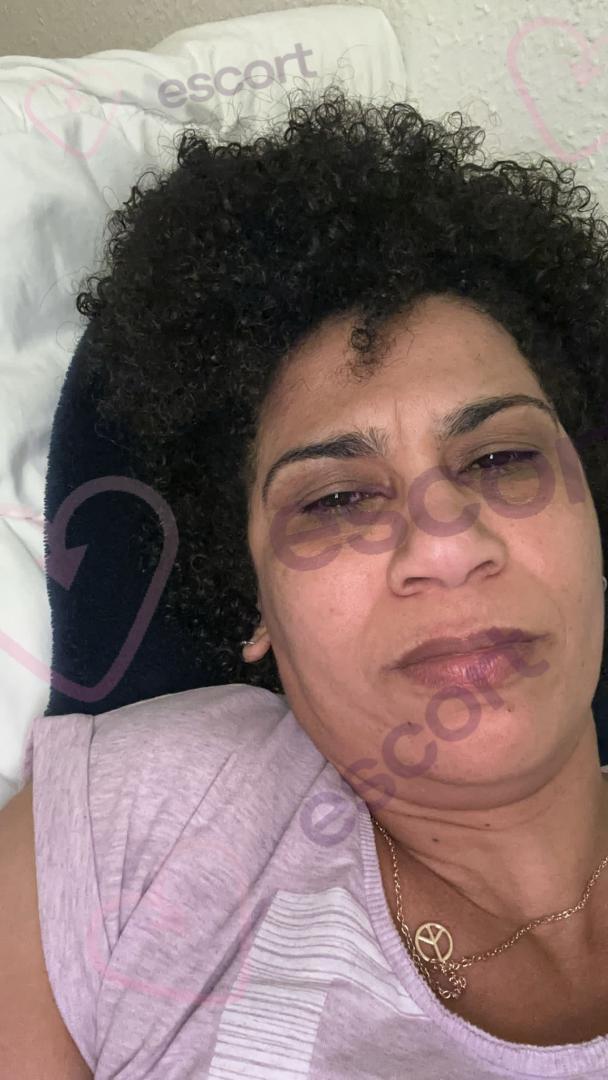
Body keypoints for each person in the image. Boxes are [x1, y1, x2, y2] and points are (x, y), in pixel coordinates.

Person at [3, 85, 608, 1078]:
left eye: (500, 460)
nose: (445, 547)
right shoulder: (123, 832)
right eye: (336, 500)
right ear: (254, 605)